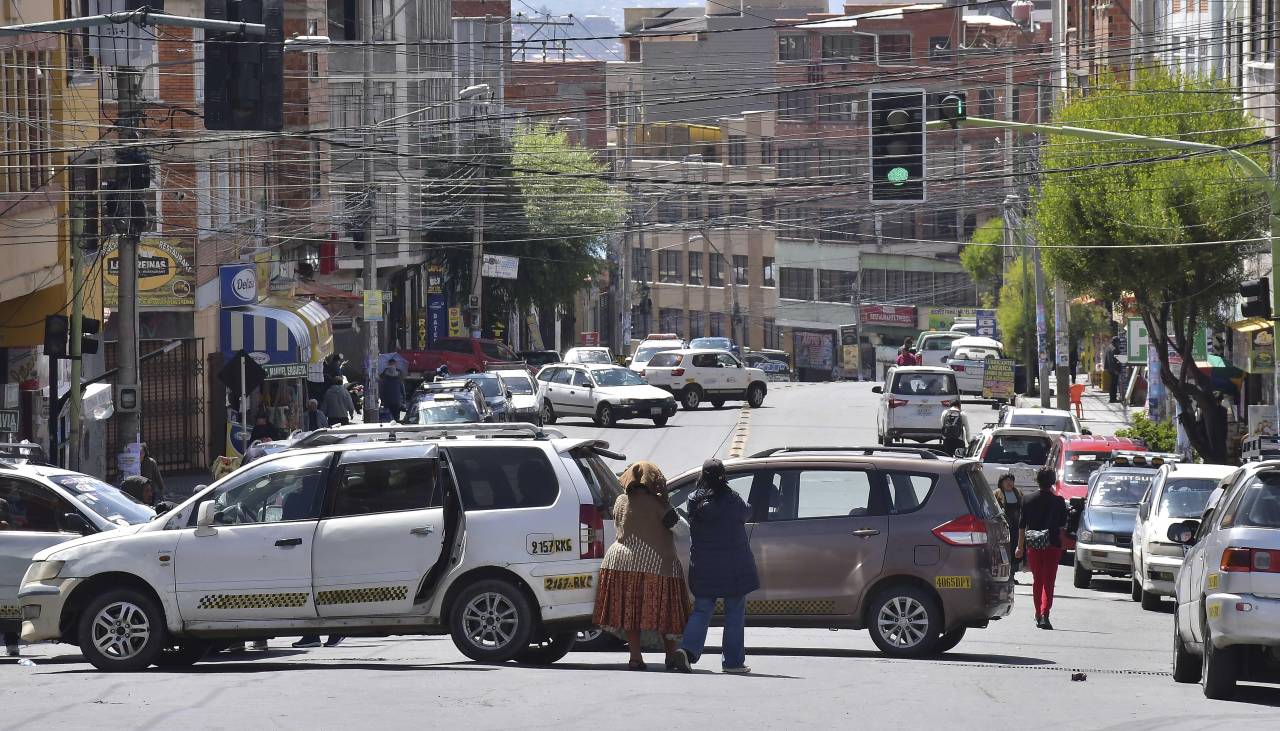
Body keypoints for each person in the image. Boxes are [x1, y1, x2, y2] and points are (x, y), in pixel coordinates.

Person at [592, 461, 690, 671]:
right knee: (667, 613)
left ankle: (635, 658)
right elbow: (683, 531)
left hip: (619, 564)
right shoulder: (659, 505)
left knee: (631, 613)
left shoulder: (621, 501)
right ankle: (671, 656)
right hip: (658, 566)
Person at [672, 459, 758, 674]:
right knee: (734, 612)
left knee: (702, 609)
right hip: (734, 567)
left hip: (703, 566)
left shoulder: (693, 500)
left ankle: (687, 651)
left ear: (702, 476)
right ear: (723, 476)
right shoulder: (733, 500)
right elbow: (748, 512)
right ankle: (732, 662)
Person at [1016, 468, 1067, 630]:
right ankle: (1045, 614)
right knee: (1049, 581)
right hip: (1052, 544)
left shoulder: (1027, 499)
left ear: (1037, 481)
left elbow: (1022, 525)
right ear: (1053, 482)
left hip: (1034, 544)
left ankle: (1038, 612)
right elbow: (1062, 526)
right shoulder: (1059, 501)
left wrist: (1020, 546)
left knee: (1037, 580)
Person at [995, 473, 1024, 573]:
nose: (1009, 482)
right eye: (1006, 480)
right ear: (1001, 482)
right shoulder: (996, 493)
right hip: (1004, 527)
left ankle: (1012, 574)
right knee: (1005, 550)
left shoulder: (1018, 492)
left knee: (1015, 549)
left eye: (1011, 480)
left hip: (1017, 526)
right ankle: (1004, 573)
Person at [379, 356, 406, 422]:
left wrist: (382, 400)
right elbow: (402, 390)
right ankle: (396, 424)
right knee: (396, 417)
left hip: (387, 401)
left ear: (388, 364)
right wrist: (404, 401)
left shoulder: (384, 377)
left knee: (388, 417)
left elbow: (382, 390)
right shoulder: (399, 376)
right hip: (397, 400)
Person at [1105, 336, 1123, 403]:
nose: (1119, 344)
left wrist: (1106, 368)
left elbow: (1106, 358)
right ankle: (1113, 399)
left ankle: (1112, 398)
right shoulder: (1115, 349)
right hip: (1114, 369)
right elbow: (1114, 361)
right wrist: (1116, 370)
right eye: (1118, 342)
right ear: (1116, 342)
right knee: (1114, 384)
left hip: (1110, 369)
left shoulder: (1109, 348)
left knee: (1112, 384)